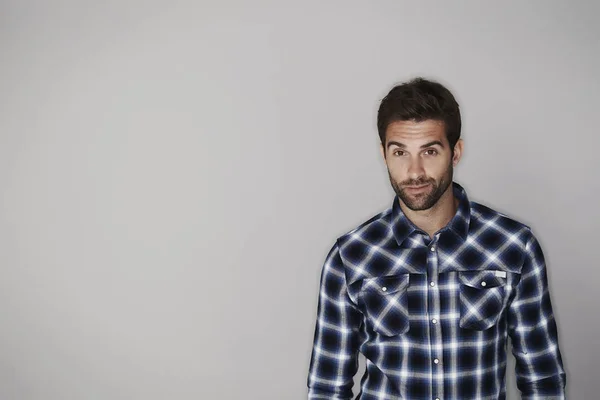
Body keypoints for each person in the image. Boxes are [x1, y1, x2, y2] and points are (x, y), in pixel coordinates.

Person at [306, 77, 566, 400]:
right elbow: (327, 388)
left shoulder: (514, 247)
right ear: (384, 154)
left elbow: (543, 380)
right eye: (400, 152)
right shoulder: (350, 257)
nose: (414, 172)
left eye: (429, 151)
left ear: (455, 152)